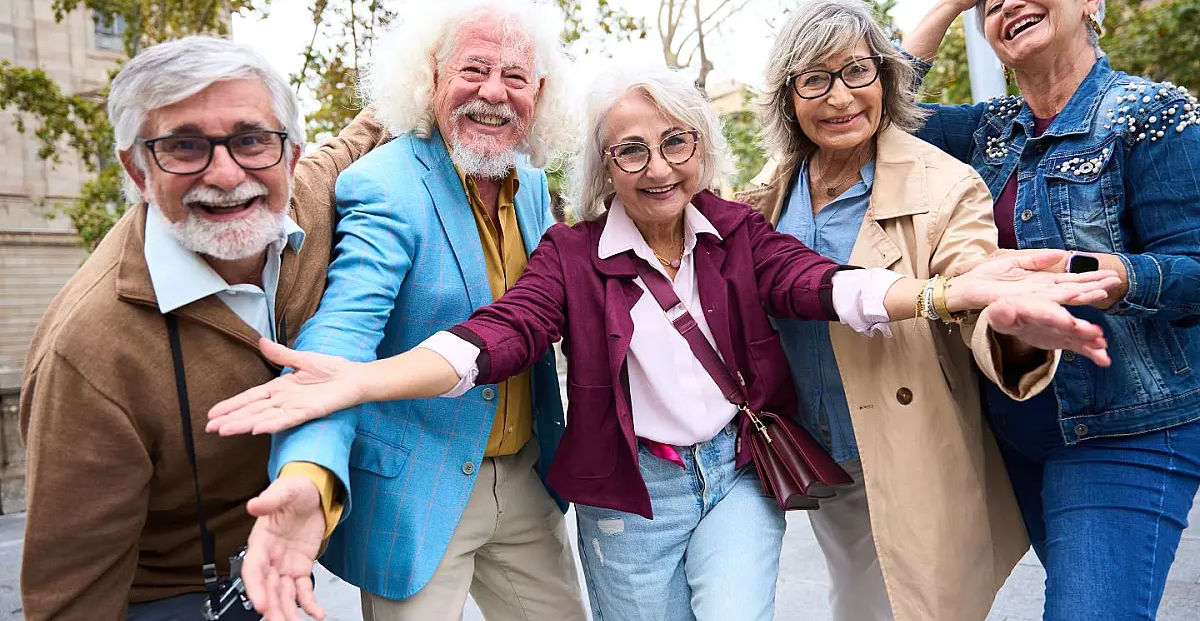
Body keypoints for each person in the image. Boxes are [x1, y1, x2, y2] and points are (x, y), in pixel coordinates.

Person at [208, 63, 1119, 621]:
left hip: (736, 476)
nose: (658, 168)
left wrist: (949, 291)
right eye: (631, 150)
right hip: (630, 499)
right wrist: (361, 382)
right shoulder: (572, 255)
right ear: (603, 168)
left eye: (675, 142)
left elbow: (827, 285)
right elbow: (497, 337)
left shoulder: (735, 229)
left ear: (701, 147)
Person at [224, 0, 586, 620]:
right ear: (432, 74)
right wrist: (307, 475)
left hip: (528, 481)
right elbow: (342, 331)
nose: (493, 92)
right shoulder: (384, 184)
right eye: (474, 69)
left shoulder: (530, 183)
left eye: (514, 76)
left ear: (539, 91)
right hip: (419, 493)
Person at [733, 0, 1094, 620]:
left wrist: (1013, 328)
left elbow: (973, 284)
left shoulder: (946, 185)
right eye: (814, 79)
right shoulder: (772, 187)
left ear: (885, 75)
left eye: (857, 71)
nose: (840, 97)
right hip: (818, 450)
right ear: (788, 98)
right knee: (858, 602)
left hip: (907, 450)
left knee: (917, 606)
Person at [17, 36, 386, 621]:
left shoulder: (306, 198)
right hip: (173, 601)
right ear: (137, 170)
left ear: (291, 155)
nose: (227, 173)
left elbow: (357, 138)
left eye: (250, 139)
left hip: (284, 574)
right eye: (184, 146)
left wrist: (445, 72)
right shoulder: (86, 352)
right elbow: (72, 595)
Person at [901, 0, 1200, 619]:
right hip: (1015, 429)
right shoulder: (990, 131)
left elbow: (1193, 266)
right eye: (991, 0)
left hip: (1125, 429)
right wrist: (950, 3)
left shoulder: (1153, 115)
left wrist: (1111, 275)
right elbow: (883, 111)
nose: (1008, 2)